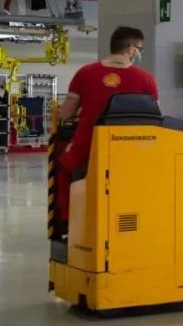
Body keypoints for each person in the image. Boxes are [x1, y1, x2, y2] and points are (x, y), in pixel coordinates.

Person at [56, 26, 158, 223]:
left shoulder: (85, 73)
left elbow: (65, 114)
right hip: (131, 153)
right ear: (131, 50)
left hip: (87, 150)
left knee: (75, 182)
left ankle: (78, 232)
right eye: (140, 50)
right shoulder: (146, 80)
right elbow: (154, 119)